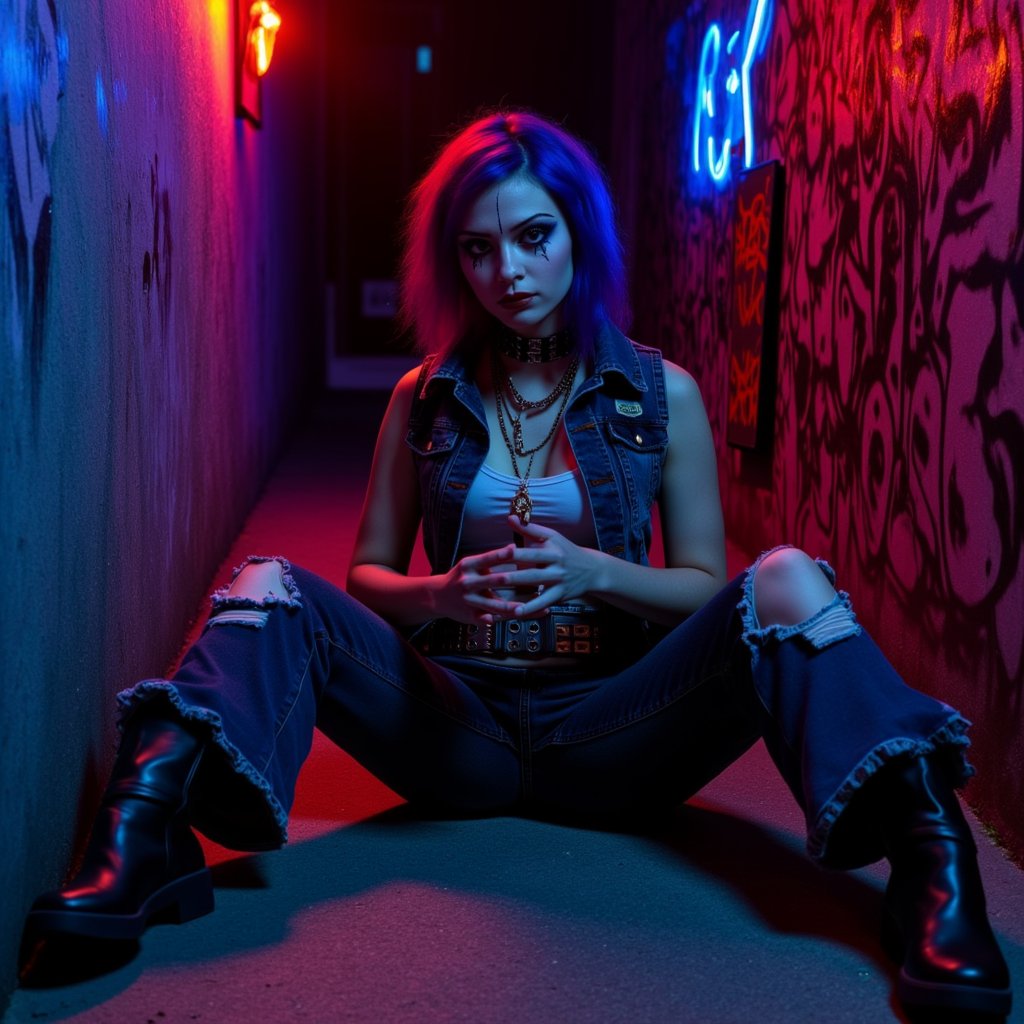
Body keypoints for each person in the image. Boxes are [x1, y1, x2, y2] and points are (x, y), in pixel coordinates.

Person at [28, 111, 1011, 1017]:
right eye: (479, 246)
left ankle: (930, 859)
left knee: (790, 574)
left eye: (532, 235)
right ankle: (144, 832)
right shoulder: (423, 397)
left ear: (578, 235)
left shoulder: (661, 394)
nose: (508, 270)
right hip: (459, 726)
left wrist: (596, 574)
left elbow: (707, 589)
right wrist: (438, 592)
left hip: (617, 726)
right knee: (265, 583)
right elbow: (368, 571)